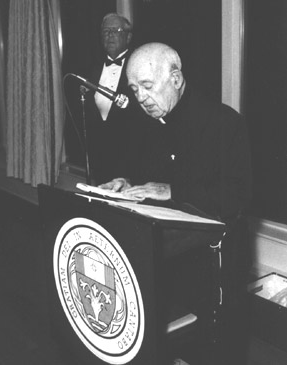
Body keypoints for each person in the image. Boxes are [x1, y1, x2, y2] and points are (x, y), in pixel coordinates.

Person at [99, 42, 252, 364]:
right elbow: (144, 177)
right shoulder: (146, 125)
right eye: (134, 88)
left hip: (212, 262)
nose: (139, 97)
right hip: (162, 255)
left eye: (147, 86)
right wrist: (125, 184)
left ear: (177, 79)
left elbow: (238, 196)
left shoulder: (223, 123)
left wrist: (173, 190)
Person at [83, 13, 146, 185]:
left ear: (128, 37)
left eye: (116, 30)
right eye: (105, 31)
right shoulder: (91, 70)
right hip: (100, 165)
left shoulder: (140, 67)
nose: (110, 35)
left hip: (132, 167)